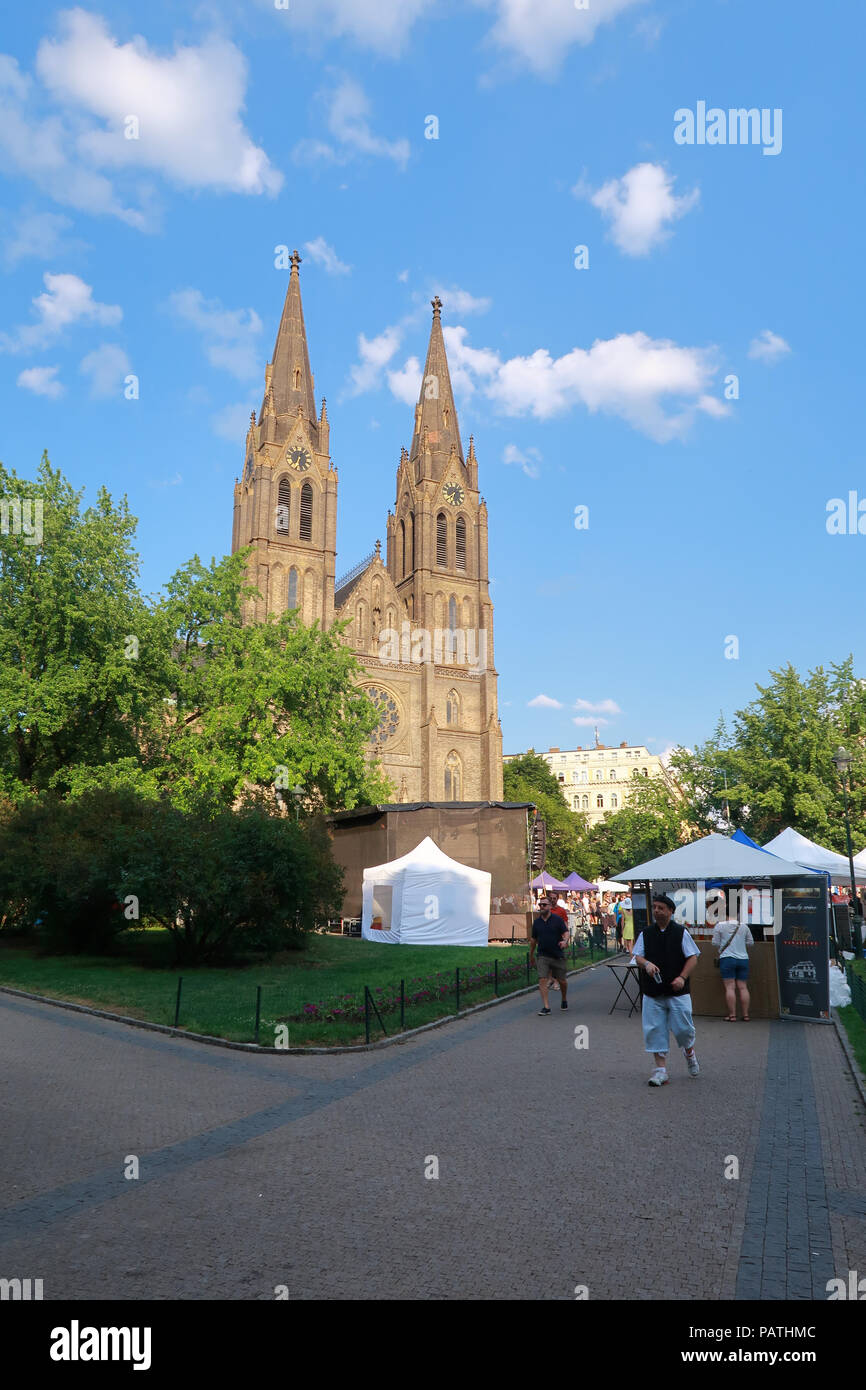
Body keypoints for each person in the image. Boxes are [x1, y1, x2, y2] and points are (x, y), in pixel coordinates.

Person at [632, 893, 701, 1086]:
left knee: (684, 1029)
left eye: (661, 907)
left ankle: (689, 1052)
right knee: (654, 1029)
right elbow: (637, 955)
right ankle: (660, 1071)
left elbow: (693, 957)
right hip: (653, 991)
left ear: (670, 911)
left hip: (678, 990)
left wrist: (682, 977)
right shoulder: (646, 933)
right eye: (654, 907)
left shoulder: (681, 932)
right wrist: (646, 964)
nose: (656, 911)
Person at [530, 895, 569, 1015]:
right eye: (540, 905)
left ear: (550, 907)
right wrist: (531, 954)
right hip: (542, 955)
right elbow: (533, 939)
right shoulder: (536, 923)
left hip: (557, 954)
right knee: (542, 979)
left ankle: (563, 998)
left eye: (544, 905)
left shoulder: (557, 920)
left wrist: (565, 941)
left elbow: (566, 932)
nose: (541, 907)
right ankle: (546, 1007)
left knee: (562, 981)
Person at [713, 917, 754, 1020]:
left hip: (727, 959)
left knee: (730, 987)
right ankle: (745, 1015)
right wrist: (739, 943)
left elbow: (715, 943)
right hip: (743, 959)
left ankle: (732, 1015)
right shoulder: (744, 926)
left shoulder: (720, 925)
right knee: (743, 987)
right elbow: (750, 943)